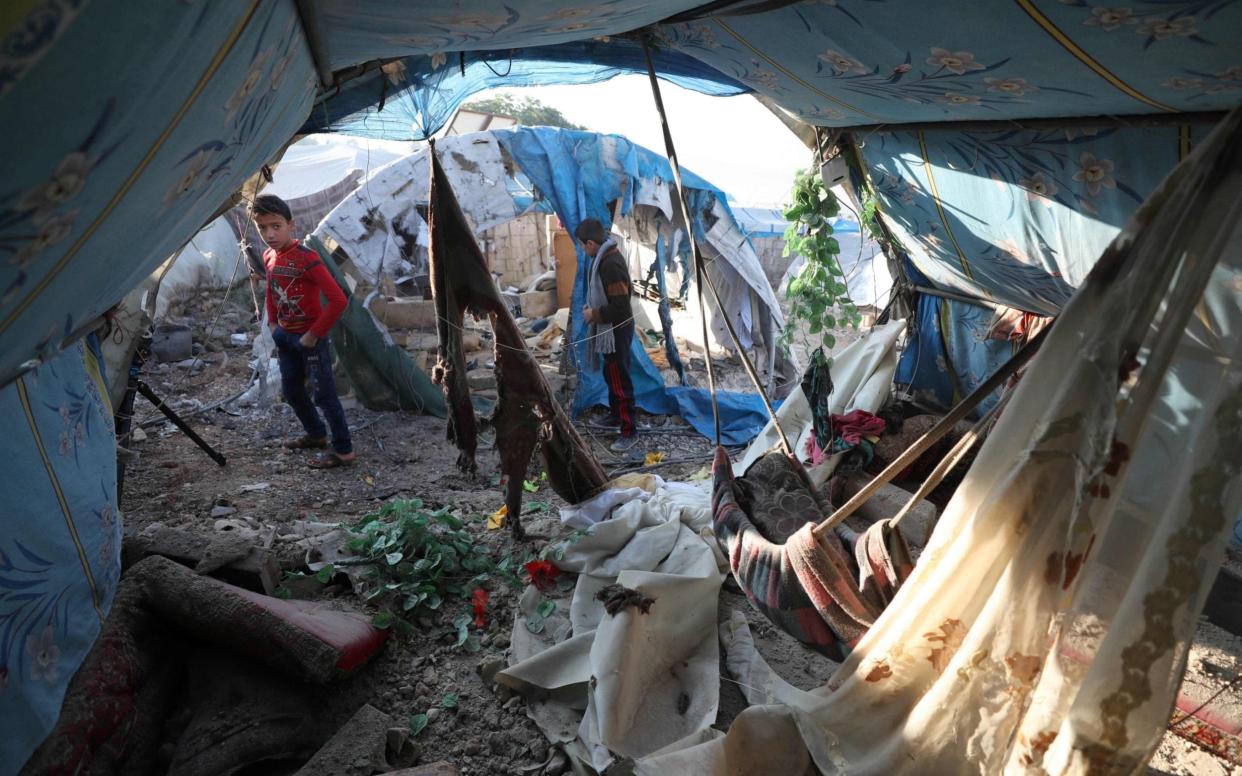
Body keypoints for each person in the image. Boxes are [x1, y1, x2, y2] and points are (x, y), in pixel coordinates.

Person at [249, 194, 354, 468]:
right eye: (263, 228)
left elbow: (339, 300)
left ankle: (343, 450)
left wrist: (313, 334)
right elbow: (272, 291)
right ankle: (316, 434)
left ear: (290, 225)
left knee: (324, 394)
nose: (269, 234)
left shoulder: (307, 258)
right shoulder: (270, 256)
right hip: (285, 336)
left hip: (311, 339)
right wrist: (273, 324)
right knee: (292, 390)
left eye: (276, 226)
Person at [577, 218, 639, 454]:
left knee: (620, 379)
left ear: (591, 243)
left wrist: (594, 314)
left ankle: (629, 431)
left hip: (617, 330)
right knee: (611, 374)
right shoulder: (604, 257)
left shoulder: (610, 264)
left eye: (583, 246)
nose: (584, 250)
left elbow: (621, 308)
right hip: (611, 331)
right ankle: (616, 416)